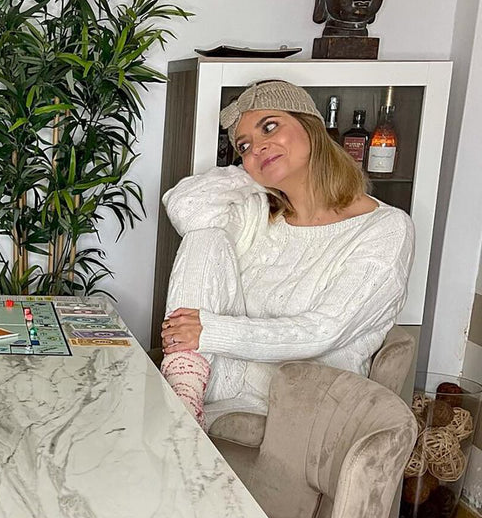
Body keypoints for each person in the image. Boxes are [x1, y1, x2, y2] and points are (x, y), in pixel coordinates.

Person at [159, 79, 414, 427]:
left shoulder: (385, 227)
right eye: (245, 145)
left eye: (270, 127)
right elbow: (185, 206)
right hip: (221, 382)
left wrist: (210, 332)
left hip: (301, 401)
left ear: (311, 128)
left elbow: (323, 331)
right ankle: (182, 401)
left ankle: (178, 417)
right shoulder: (259, 212)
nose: (258, 147)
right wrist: (255, 174)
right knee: (204, 237)